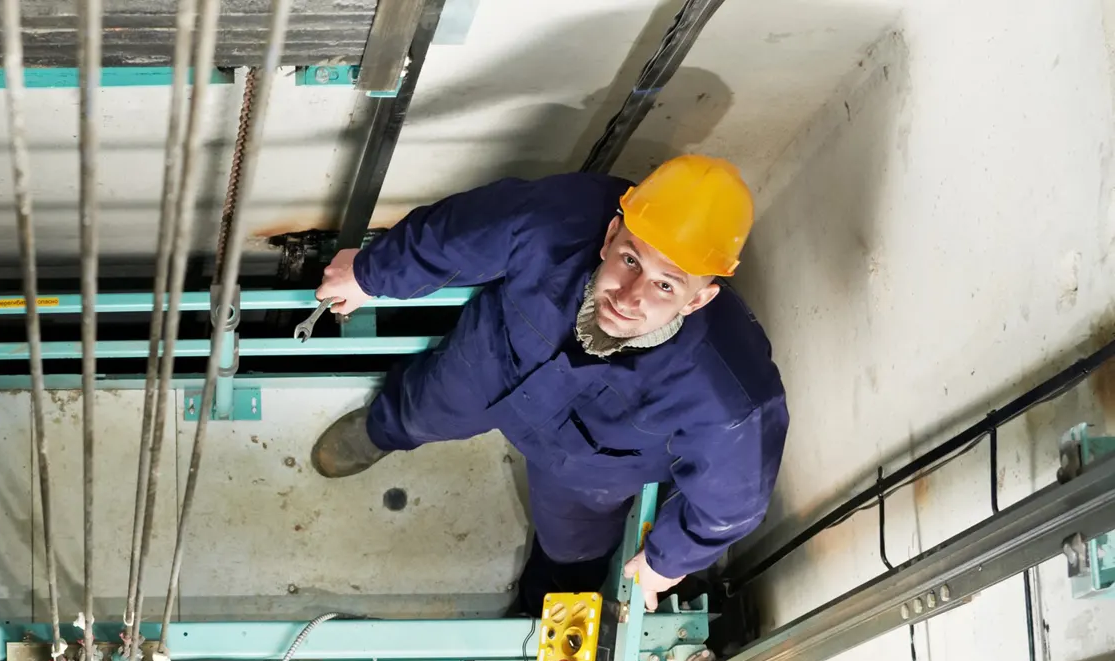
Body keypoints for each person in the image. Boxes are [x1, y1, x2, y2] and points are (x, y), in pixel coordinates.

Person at [310, 155, 787, 614]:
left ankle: (538, 612)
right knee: (423, 406)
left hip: (587, 469)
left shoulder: (727, 393)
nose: (629, 297)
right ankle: (381, 430)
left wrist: (669, 560)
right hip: (495, 362)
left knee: (572, 552)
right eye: (630, 260)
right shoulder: (559, 219)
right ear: (611, 235)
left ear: (698, 300)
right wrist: (370, 274)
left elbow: (733, 501)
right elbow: (460, 233)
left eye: (666, 285)